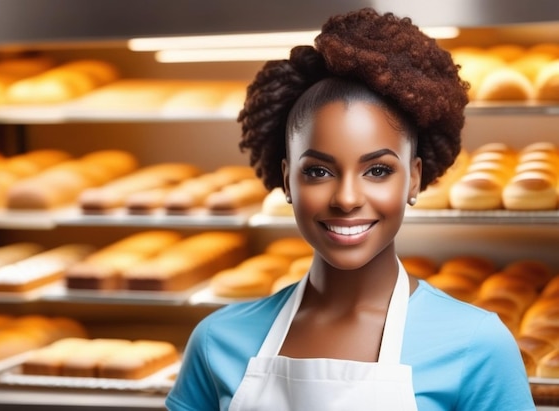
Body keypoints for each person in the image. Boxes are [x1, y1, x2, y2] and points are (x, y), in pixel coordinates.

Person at [166, 7, 535, 411]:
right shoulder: (218, 341)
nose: (346, 198)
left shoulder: (477, 347)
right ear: (287, 180)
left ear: (413, 178)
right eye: (319, 171)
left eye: (377, 170)